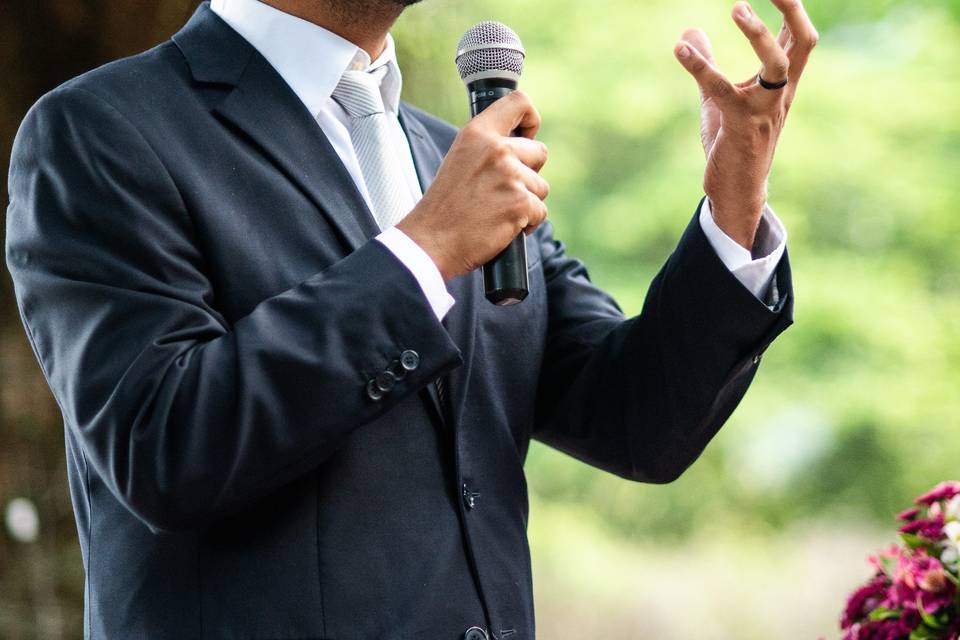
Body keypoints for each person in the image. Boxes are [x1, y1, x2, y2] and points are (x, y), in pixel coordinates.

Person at [4, 0, 816, 637]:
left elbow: (638, 422)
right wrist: (421, 253)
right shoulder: (103, 129)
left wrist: (734, 201)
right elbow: (163, 445)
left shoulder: (446, 156)